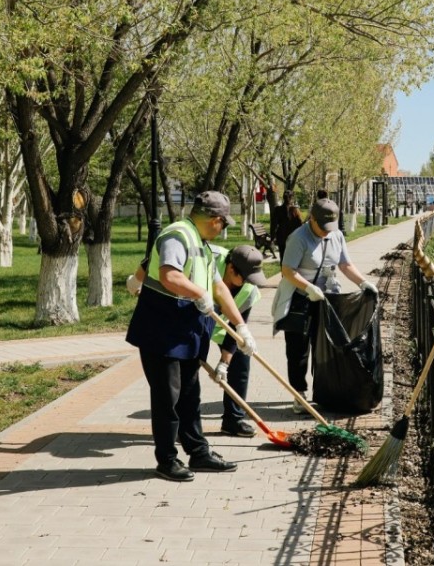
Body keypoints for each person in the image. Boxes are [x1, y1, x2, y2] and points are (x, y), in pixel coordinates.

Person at [126, 191, 255, 482]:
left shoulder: (202, 245)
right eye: (224, 223)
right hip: (163, 330)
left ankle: (198, 452)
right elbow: (170, 275)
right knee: (167, 398)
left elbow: (219, 287)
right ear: (214, 220)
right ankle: (167, 460)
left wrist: (241, 327)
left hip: (186, 331)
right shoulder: (178, 235)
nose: (223, 229)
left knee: (189, 395)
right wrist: (199, 293)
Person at [270, 198, 377, 412]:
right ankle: (299, 393)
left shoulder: (336, 235)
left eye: (331, 227)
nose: (327, 232)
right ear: (312, 218)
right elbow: (287, 270)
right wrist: (308, 287)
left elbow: (345, 264)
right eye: (322, 227)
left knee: (327, 346)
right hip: (299, 299)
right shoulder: (298, 238)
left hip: (327, 298)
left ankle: (327, 389)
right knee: (298, 349)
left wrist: (363, 282)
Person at [207, 244, 267, 437]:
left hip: (222, 326)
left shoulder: (249, 289)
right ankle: (184, 427)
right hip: (192, 320)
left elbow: (236, 329)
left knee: (241, 359)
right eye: (246, 277)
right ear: (231, 268)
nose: (250, 283)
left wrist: (224, 363)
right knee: (187, 369)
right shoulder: (210, 260)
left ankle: (233, 421)